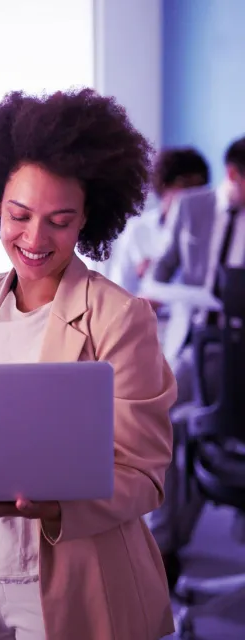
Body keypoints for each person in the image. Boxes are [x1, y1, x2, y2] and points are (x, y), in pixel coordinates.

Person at [0, 90, 176, 640]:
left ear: (88, 218)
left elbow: (143, 474)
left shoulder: (120, 317)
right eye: (19, 215)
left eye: (60, 221)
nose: (35, 239)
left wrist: (55, 507)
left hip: (86, 588)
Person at [145, 135, 245, 586]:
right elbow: (157, 280)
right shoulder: (192, 208)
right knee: (156, 419)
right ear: (233, 176)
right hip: (197, 343)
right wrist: (193, 295)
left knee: (211, 428)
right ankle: (163, 543)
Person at [109, 147, 210, 295]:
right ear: (164, 184)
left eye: (199, 187)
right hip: (145, 314)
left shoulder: (209, 232)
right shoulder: (138, 229)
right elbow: (118, 289)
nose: (192, 194)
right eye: (186, 185)